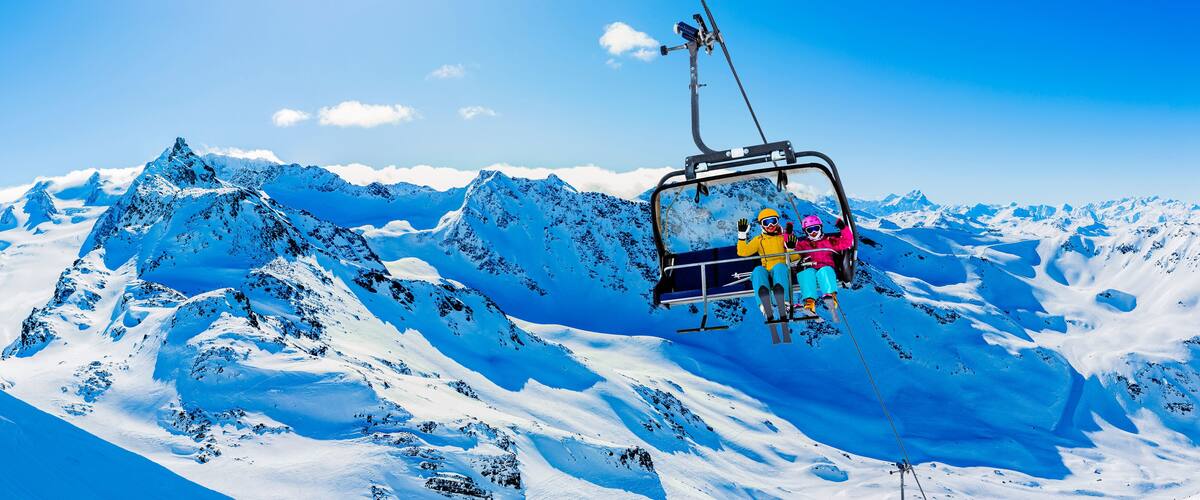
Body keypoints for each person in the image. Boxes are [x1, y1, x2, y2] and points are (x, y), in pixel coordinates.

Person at [737, 208, 799, 344]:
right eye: (767, 222)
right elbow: (743, 252)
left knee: (780, 267)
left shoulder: (785, 237)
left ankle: (784, 303)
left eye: (773, 221)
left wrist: (790, 249)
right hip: (767, 270)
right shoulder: (759, 240)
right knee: (758, 271)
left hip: (782, 269)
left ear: (777, 222)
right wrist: (742, 236)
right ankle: (765, 307)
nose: (770, 226)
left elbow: (795, 259)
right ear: (761, 225)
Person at [789, 214, 854, 320]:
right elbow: (789, 246)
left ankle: (831, 296)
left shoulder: (830, 241)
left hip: (826, 267)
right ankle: (809, 303)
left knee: (825, 271)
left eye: (816, 228)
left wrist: (843, 228)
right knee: (806, 274)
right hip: (810, 268)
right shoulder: (803, 244)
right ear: (805, 231)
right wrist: (788, 234)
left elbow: (847, 242)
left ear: (821, 228)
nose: (814, 232)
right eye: (810, 230)